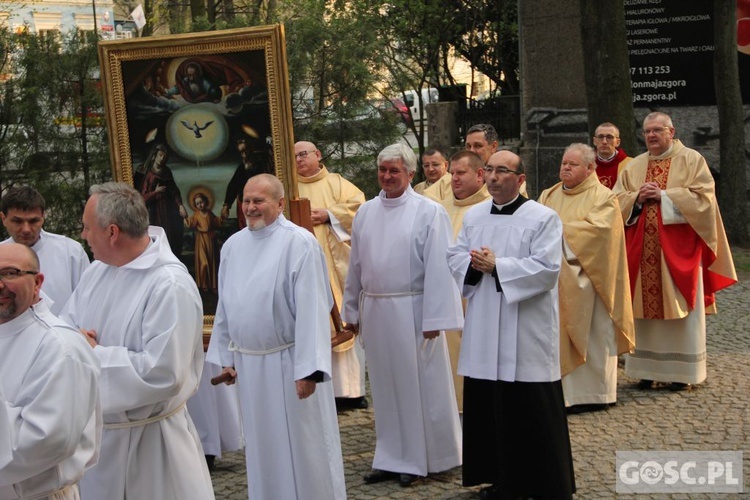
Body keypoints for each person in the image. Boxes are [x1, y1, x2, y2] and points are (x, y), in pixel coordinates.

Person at [61, 182, 214, 499]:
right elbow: (67, 329)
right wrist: (75, 343)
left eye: (87, 228)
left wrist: (92, 353)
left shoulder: (170, 286)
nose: (83, 235)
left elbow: (164, 373)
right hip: (100, 445)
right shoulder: (97, 272)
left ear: (112, 232)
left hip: (152, 445)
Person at [207, 174, 347, 500]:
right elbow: (227, 305)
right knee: (263, 449)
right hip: (251, 367)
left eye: (259, 201)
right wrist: (227, 359)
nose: (251, 207)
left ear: (280, 203)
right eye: (246, 201)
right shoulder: (233, 246)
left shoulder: (298, 243)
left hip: (290, 363)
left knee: (305, 446)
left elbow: (313, 308)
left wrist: (308, 370)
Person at [446, 150, 575, 500]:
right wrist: (473, 265)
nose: (492, 177)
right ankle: (501, 480)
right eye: (488, 170)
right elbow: (455, 256)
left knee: (530, 408)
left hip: (526, 329)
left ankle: (545, 484)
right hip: (486, 324)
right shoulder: (474, 217)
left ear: (519, 180)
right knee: (492, 408)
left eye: (501, 171)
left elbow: (547, 269)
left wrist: (498, 267)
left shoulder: (543, 218)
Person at [343, 143, 463, 488]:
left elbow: (441, 268)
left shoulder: (429, 212)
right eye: (382, 170)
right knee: (384, 387)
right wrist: (352, 309)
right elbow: (357, 265)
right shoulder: (365, 211)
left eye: (395, 170)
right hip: (377, 310)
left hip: (414, 310)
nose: (387, 176)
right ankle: (390, 455)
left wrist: (434, 319)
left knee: (417, 387)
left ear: (410, 174)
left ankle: (421, 458)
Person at [613, 112, 737, 390]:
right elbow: (615, 201)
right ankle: (645, 369)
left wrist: (665, 196)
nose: (651, 136)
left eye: (657, 130)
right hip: (642, 254)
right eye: (647, 132)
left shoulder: (692, 160)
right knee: (642, 311)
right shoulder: (634, 167)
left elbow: (704, 200)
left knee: (682, 310)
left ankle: (683, 374)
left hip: (679, 253)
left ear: (672, 131)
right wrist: (636, 198)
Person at [538, 143, 635, 413]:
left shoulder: (604, 197)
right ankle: (561, 392)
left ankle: (594, 393)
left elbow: (600, 233)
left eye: (573, 164)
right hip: (554, 277)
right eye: (563, 163)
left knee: (593, 334)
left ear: (590, 168)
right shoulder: (549, 194)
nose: (565, 168)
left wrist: (556, 232)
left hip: (591, 279)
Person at [0, 242, 100, 500]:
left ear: (38, 282)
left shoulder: (60, 346)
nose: (1, 283)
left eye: (10, 273)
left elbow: (47, 439)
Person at [294, 141, 367, 409]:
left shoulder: (337, 183)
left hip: (334, 265)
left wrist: (329, 214)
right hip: (303, 266)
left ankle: (350, 391)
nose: (299, 160)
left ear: (318, 155)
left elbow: (360, 207)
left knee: (340, 320)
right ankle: (317, 387)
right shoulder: (289, 187)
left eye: (304, 154)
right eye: (294, 157)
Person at [438, 150, 490, 412]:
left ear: (480, 174)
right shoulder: (437, 209)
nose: (454, 179)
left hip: (476, 296)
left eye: (461, 173)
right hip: (441, 297)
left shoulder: (492, 209)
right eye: (452, 173)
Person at [1, 186, 90, 314]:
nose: (26, 229)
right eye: (17, 221)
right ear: (4, 219)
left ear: (43, 216)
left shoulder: (71, 252)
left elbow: (87, 300)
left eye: (33, 221)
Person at [135, 143, 188, 257]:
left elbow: (174, 190)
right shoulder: (147, 173)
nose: (162, 158)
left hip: (167, 211)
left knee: (170, 237)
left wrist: (180, 205)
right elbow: (141, 198)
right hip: (153, 212)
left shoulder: (166, 171)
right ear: (154, 156)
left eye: (164, 156)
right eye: (160, 155)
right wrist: (155, 192)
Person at [460, 123, 528, 198]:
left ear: (493, 146)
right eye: (468, 146)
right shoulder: (457, 177)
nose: (471, 151)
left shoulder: (511, 179)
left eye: (478, 146)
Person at [221, 139, 266, 229]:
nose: (244, 155)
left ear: (250, 150)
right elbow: (233, 185)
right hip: (244, 203)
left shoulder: (262, 163)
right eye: (241, 153)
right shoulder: (242, 168)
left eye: (246, 151)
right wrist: (227, 205)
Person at [184, 191, 223, 293]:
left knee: (212, 261)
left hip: (210, 239)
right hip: (201, 240)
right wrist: (184, 216)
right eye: (197, 203)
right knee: (203, 262)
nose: (200, 205)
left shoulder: (209, 213)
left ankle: (213, 285)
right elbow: (190, 224)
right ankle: (204, 284)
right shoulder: (196, 215)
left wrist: (222, 216)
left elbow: (216, 222)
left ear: (205, 202)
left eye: (201, 202)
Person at [593, 122, 632, 189]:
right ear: (594, 141)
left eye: (609, 137)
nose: (604, 142)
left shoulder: (630, 164)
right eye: (600, 137)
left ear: (617, 142)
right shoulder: (586, 164)